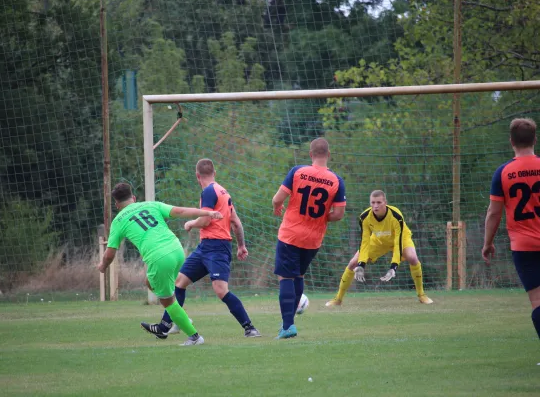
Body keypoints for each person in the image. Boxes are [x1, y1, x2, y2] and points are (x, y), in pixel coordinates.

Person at [141, 158, 260, 339]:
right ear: (214, 173)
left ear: (197, 176)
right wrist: (241, 245)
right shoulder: (223, 191)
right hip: (205, 247)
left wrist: (190, 223)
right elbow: (235, 222)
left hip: (217, 247)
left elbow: (205, 220)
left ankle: (250, 328)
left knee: (221, 290)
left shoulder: (209, 192)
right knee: (179, 283)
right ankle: (166, 326)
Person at [98, 182, 223, 346]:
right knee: (150, 282)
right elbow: (181, 211)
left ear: (116, 204)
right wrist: (209, 213)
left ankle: (194, 337)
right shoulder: (151, 204)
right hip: (176, 250)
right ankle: (179, 316)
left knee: (168, 301)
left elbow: (109, 254)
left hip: (160, 258)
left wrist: (102, 267)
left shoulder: (118, 221)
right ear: (134, 198)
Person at [272, 138, 346, 339]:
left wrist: (277, 207)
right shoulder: (337, 181)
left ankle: (288, 326)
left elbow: (277, 199)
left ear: (311, 155)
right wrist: (322, 218)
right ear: (328, 155)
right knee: (299, 276)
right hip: (313, 239)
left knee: (286, 277)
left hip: (291, 234)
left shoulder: (298, 171)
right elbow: (339, 214)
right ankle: (289, 323)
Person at [483, 118, 540, 341]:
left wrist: (488, 243)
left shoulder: (503, 172)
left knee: (537, 302)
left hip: (524, 247)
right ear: (535, 139)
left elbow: (494, 212)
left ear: (511, 142)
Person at [326, 190, 433, 307]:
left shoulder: (396, 216)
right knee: (353, 263)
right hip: (379, 240)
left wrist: (393, 267)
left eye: (379, 202)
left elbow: (398, 242)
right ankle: (338, 299)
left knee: (413, 258)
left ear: (385, 202)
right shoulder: (364, 217)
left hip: (401, 239)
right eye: (373, 202)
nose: (375, 206)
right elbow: (365, 242)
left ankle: (421, 295)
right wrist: (361, 265)